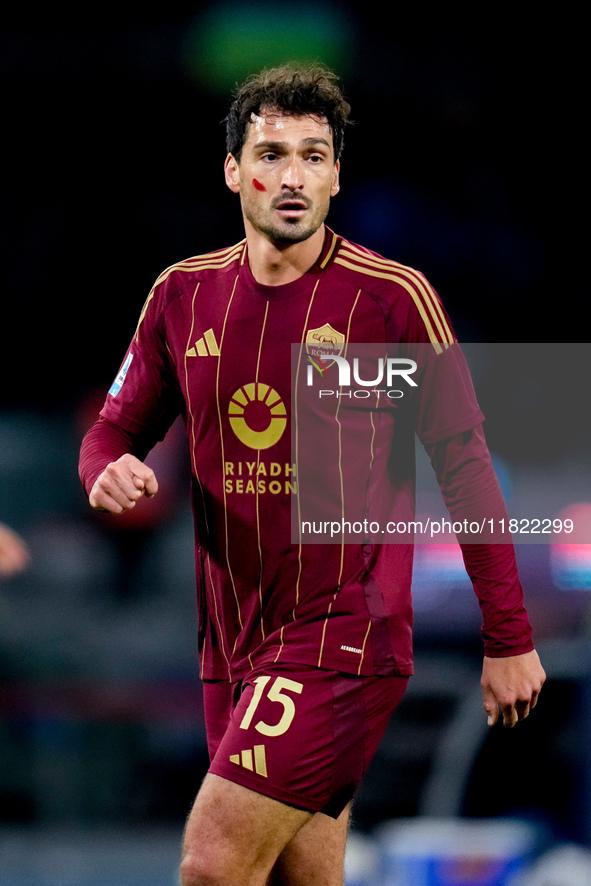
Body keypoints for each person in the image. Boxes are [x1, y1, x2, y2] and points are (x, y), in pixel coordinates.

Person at [79, 65, 545, 886]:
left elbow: (464, 467)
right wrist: (103, 469)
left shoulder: (390, 300)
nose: (291, 176)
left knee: (213, 864)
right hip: (231, 638)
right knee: (302, 878)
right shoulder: (183, 296)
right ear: (233, 171)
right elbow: (114, 428)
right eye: (270, 153)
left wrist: (507, 636)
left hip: (342, 636)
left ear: (336, 174)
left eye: (313, 155)